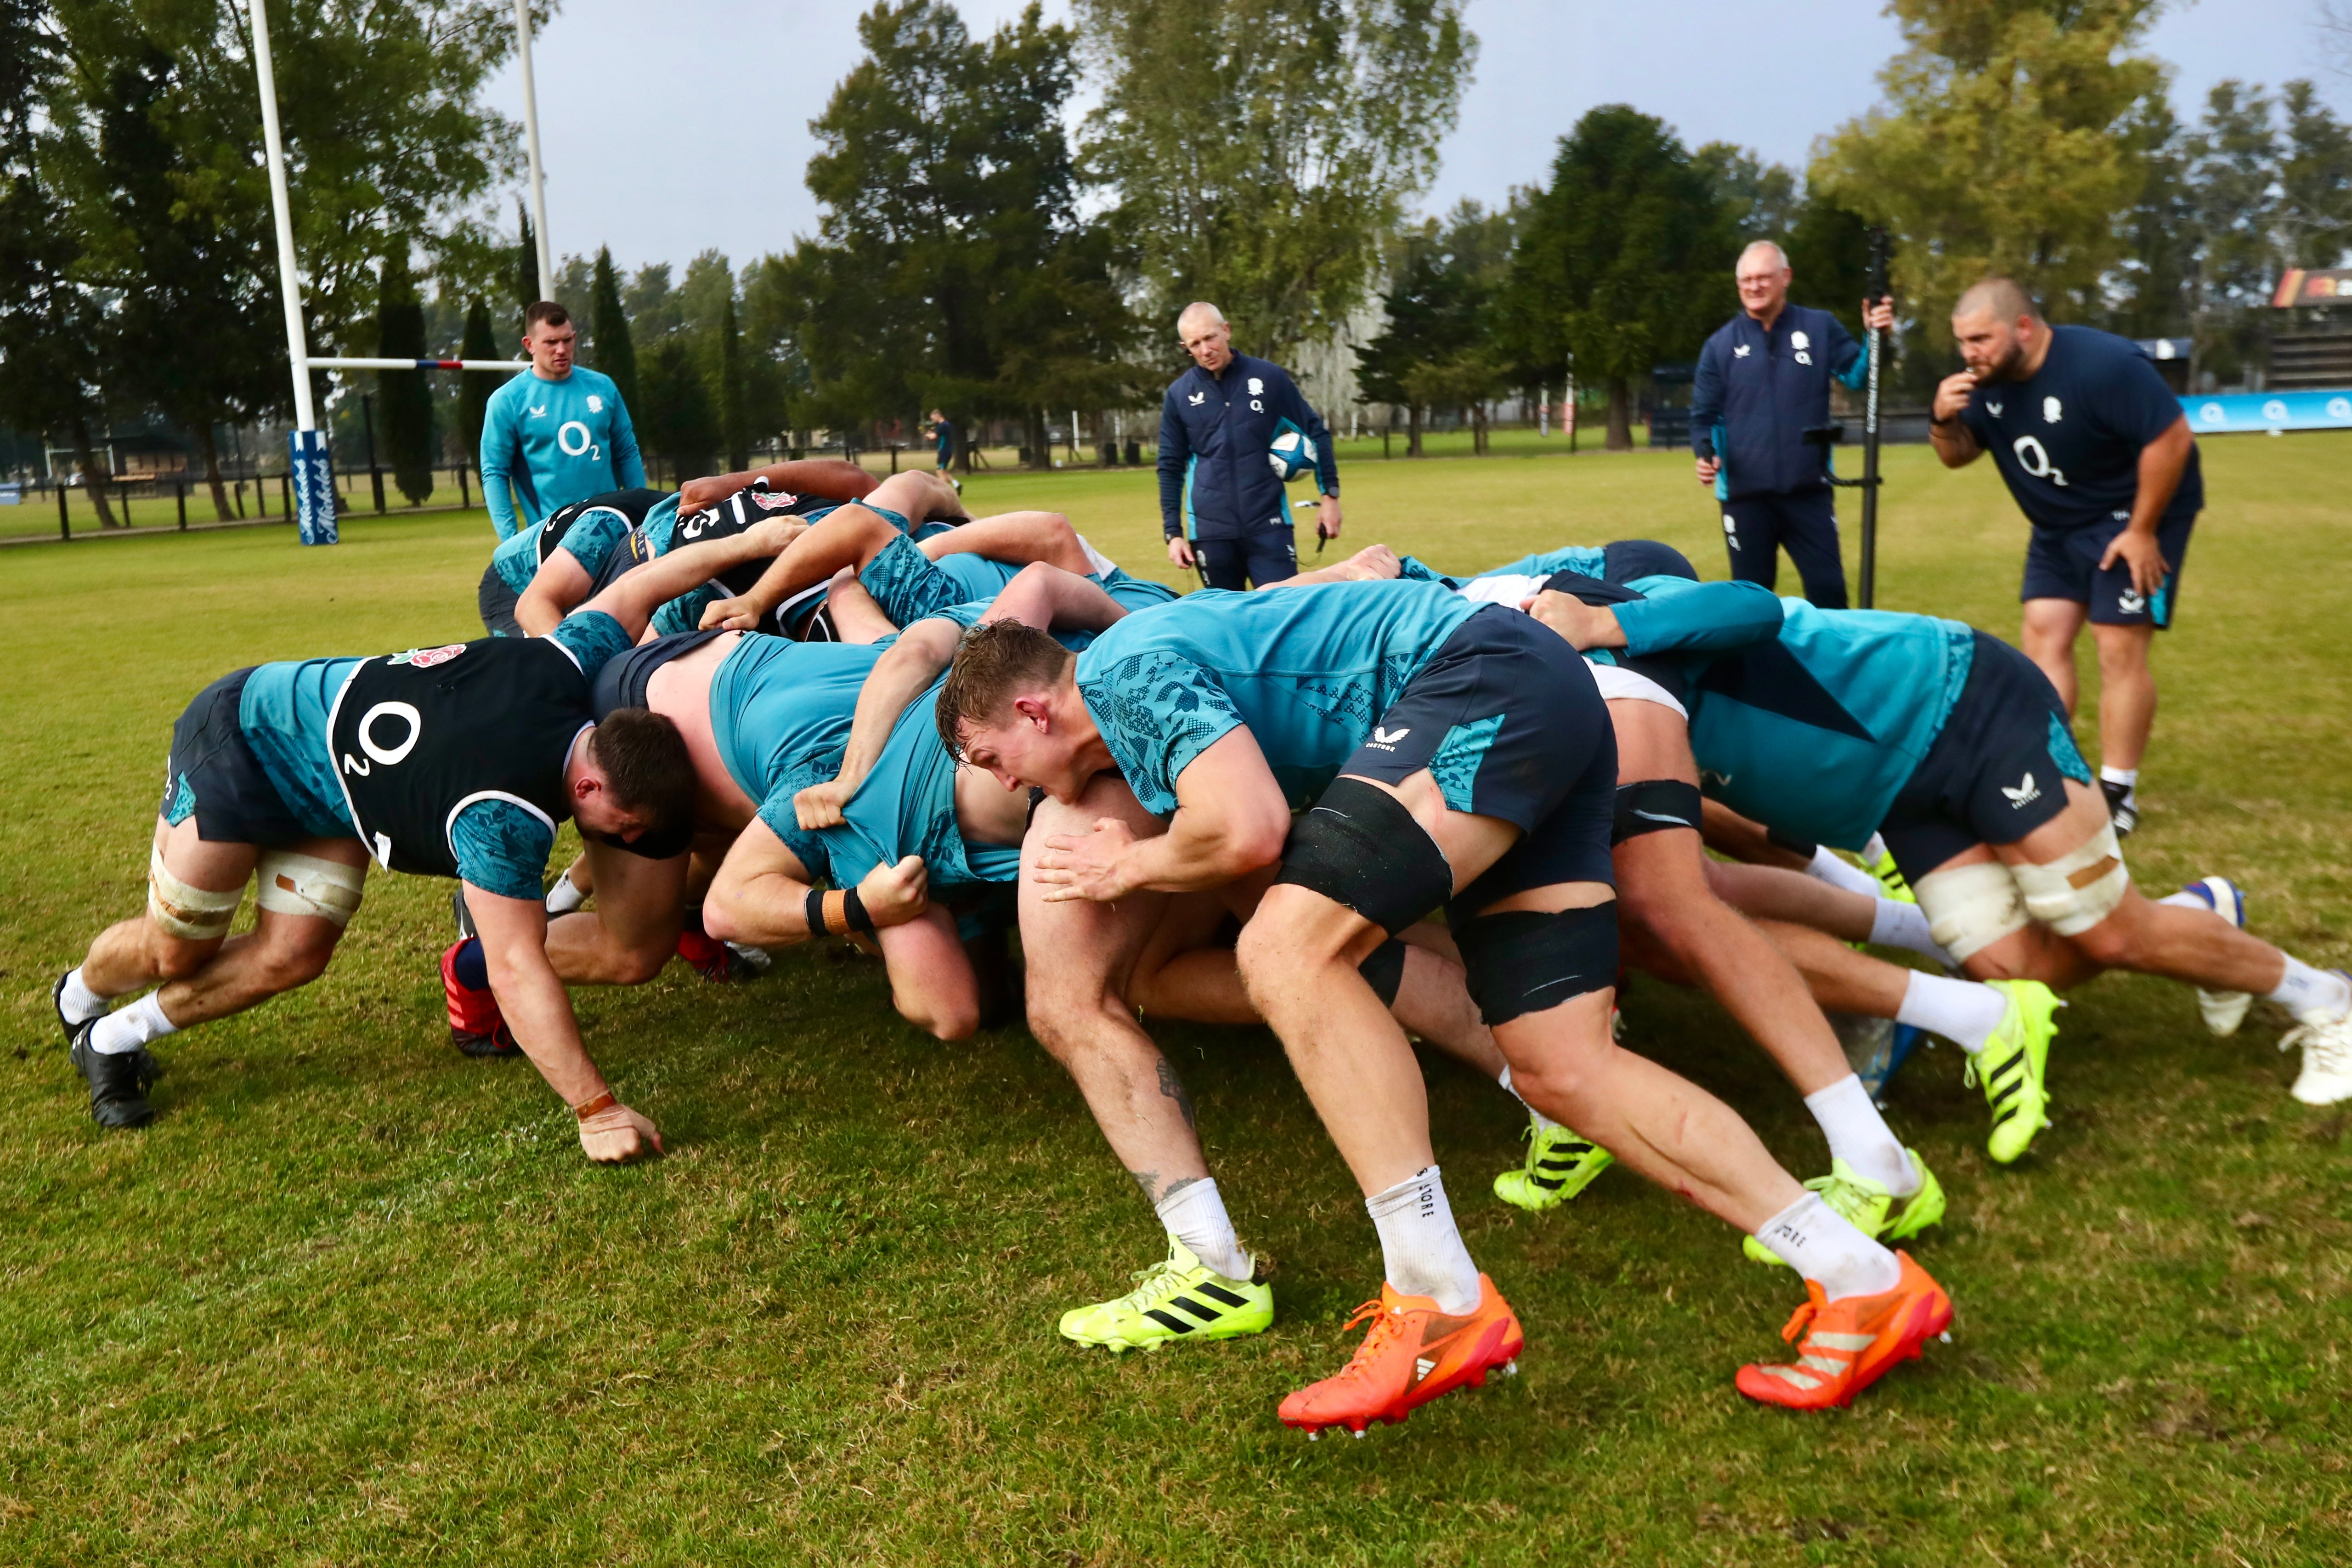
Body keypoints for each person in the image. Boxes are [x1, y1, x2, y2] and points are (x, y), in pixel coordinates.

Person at [939, 585, 1954, 1429]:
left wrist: (1131, 863)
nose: (1008, 788)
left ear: (1031, 710)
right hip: (1536, 702)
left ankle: (1436, 1297)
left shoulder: (1120, 672)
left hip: (1485, 683)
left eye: (991, 759)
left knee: (1285, 951)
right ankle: (1861, 1275)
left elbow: (1243, 831)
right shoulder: (1143, 680)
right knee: (1565, 1066)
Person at [46, 526, 782, 1151]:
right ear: (588, 787)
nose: (623, 846)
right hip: (247, 737)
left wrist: (750, 544)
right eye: (626, 828)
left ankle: (111, 1041)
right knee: (177, 947)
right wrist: (597, 1109)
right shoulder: (502, 814)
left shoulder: (563, 663)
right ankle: (77, 995)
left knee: (293, 956)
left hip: (329, 792)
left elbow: (637, 590)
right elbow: (517, 968)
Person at [1524, 578, 2352, 1115]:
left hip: (1968, 705)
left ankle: (2326, 999)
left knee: (2102, 927)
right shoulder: (1565, 720)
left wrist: (1601, 620)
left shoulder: (1617, 627)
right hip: (1901, 795)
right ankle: (2202, 913)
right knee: (2020, 968)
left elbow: (1752, 604)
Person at [1932, 277, 2202, 837]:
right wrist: (1942, 420)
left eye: (1980, 338)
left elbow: (2171, 438)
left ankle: (2118, 791)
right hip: (2056, 525)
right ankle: (2054, 771)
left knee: (2115, 643)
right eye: (1962, 342)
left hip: (2137, 514)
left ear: (2023, 328)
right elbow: (1957, 457)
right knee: (2042, 634)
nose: (1969, 353)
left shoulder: (2102, 364)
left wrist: (2143, 529)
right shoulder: (1984, 384)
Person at [1690, 242, 1895, 608]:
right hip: (1745, 497)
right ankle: (1757, 668)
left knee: (1829, 593)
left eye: (1763, 277)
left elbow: (1859, 376)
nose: (1754, 286)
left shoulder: (1819, 326)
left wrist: (1876, 337)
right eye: (1746, 280)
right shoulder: (1720, 346)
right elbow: (1704, 417)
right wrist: (1705, 453)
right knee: (1751, 604)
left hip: (1809, 492)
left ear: (1786, 278)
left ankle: (1834, 666)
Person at [1157, 302, 1340, 589]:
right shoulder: (1179, 395)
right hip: (1210, 534)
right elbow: (1169, 466)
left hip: (1270, 526)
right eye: (1195, 344)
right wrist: (1174, 533)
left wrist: (1329, 496)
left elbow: (1316, 433)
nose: (1205, 350)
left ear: (1226, 330)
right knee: (1225, 624)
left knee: (1285, 615)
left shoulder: (1269, 378)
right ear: (1186, 347)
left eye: (1210, 338)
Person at [478, 301, 646, 543]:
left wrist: (643, 516)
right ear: (529, 345)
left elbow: (628, 453)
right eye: (551, 342)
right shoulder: (508, 401)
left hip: (613, 532)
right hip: (551, 539)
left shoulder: (603, 387)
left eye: (567, 340)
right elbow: (494, 472)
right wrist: (510, 539)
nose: (561, 350)